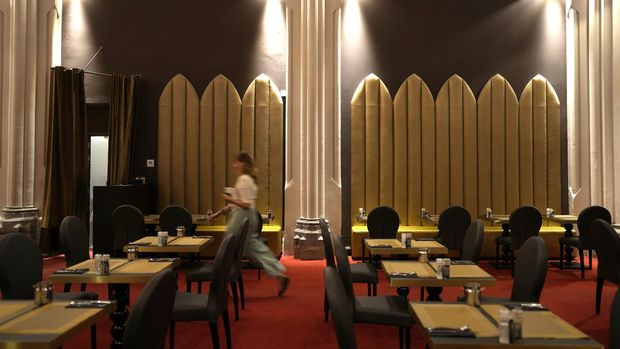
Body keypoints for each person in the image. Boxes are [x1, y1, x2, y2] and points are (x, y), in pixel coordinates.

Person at [208, 152, 290, 296]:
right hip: (247, 215)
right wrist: (218, 213)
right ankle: (280, 275)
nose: (234, 165)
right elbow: (238, 203)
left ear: (243, 164)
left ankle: (222, 287)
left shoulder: (244, 179)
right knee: (254, 248)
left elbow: (244, 204)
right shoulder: (248, 179)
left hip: (242, 216)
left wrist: (229, 199)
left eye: (236, 162)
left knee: (227, 249)